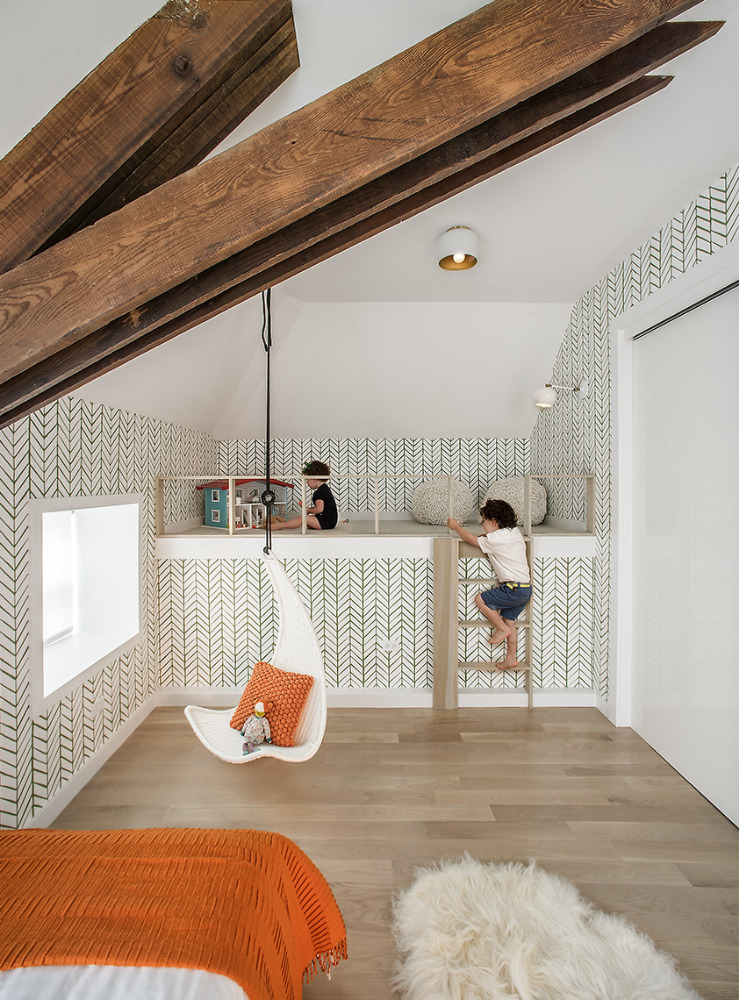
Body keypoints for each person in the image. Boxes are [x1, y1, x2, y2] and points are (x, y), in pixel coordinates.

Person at [447, 498, 531, 670]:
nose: (482, 525)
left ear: (493, 522)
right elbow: (492, 537)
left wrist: (456, 527)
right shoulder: (514, 532)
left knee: (480, 599)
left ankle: (501, 628)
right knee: (510, 621)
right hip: (525, 589)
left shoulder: (493, 541)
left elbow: (472, 540)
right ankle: (511, 657)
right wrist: (486, 535)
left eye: (483, 521)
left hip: (512, 589)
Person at [272, 460, 338, 531]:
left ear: (314, 479)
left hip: (326, 522)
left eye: (307, 480)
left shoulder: (319, 492)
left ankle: (280, 525)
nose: (307, 482)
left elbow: (319, 509)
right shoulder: (324, 488)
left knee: (303, 518)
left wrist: (308, 510)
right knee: (307, 519)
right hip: (330, 521)